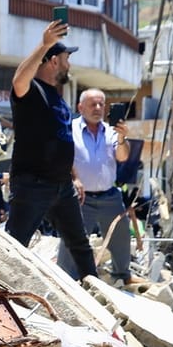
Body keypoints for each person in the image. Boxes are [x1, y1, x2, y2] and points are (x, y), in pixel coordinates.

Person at [5, 22, 97, 280]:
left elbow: (63, 141)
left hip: (62, 186)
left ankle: (100, 296)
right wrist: (44, 44)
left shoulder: (57, 97)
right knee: (13, 247)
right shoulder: (31, 90)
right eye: (67, 58)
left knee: (80, 245)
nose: (70, 64)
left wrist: (75, 176)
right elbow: (18, 80)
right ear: (54, 61)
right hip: (33, 185)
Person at [56, 89, 144, 284]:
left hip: (109, 195)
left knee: (120, 234)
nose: (97, 108)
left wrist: (122, 138)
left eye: (101, 104)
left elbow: (122, 157)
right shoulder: (70, 129)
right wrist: (74, 178)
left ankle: (122, 275)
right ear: (80, 107)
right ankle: (66, 278)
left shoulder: (111, 131)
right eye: (92, 104)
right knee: (72, 237)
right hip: (80, 196)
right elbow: (63, 157)